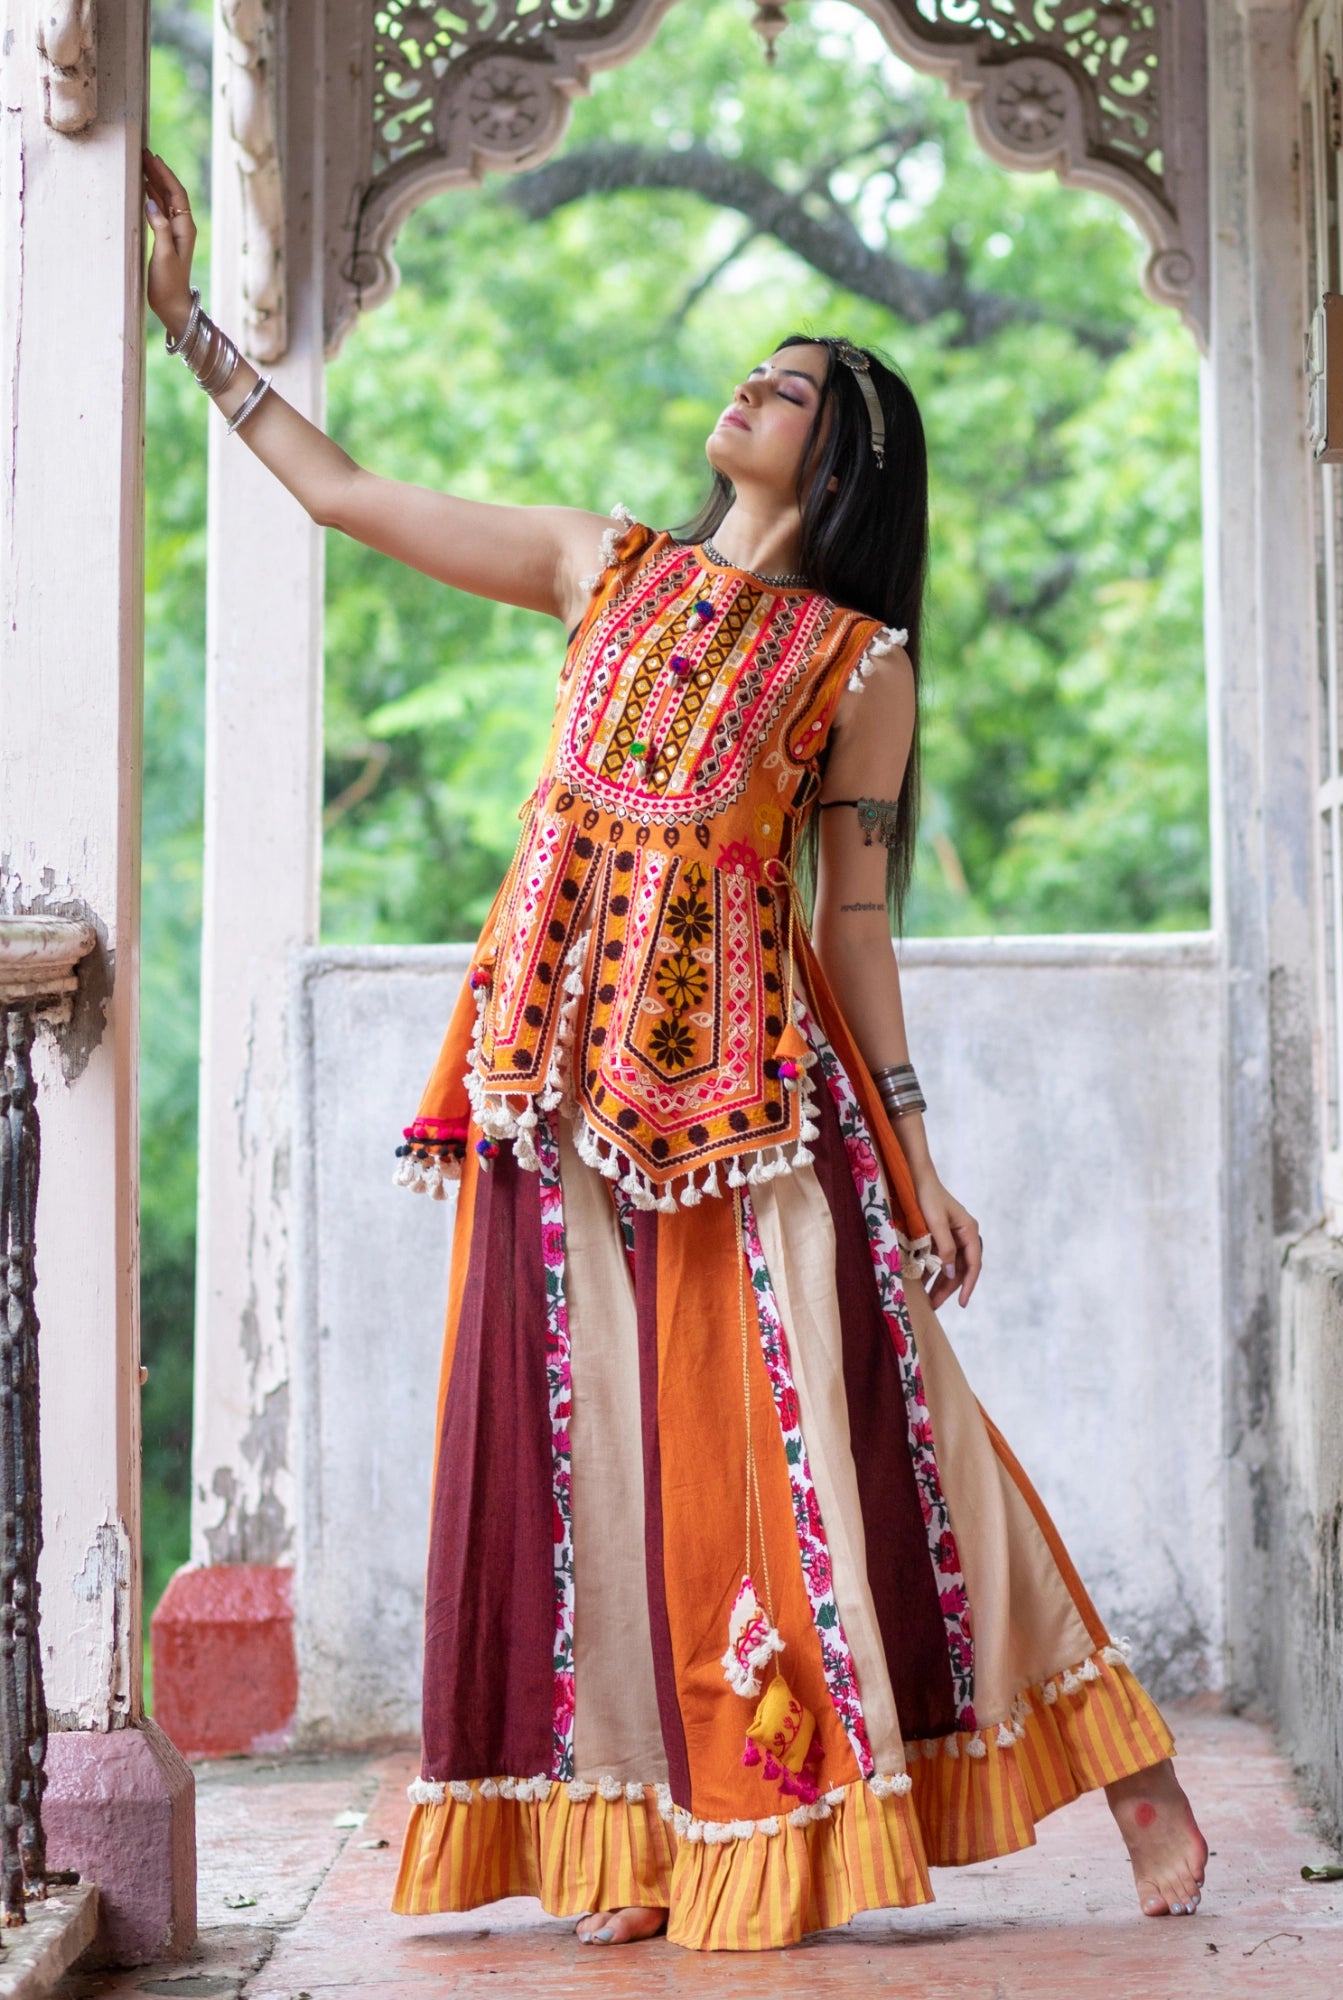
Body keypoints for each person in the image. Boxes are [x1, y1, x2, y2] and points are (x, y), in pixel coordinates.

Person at [144, 149, 1209, 1954]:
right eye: (756, 372)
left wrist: (919, 1157)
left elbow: (856, 927)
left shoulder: (857, 668)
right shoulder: (602, 566)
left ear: (844, 455)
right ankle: (643, 1828)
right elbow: (343, 493)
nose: (749, 390)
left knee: (884, 1436)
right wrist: (183, 323)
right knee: (599, 1466)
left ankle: (1128, 1767)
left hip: (752, 1106)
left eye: (788, 388)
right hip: (551, 1086)